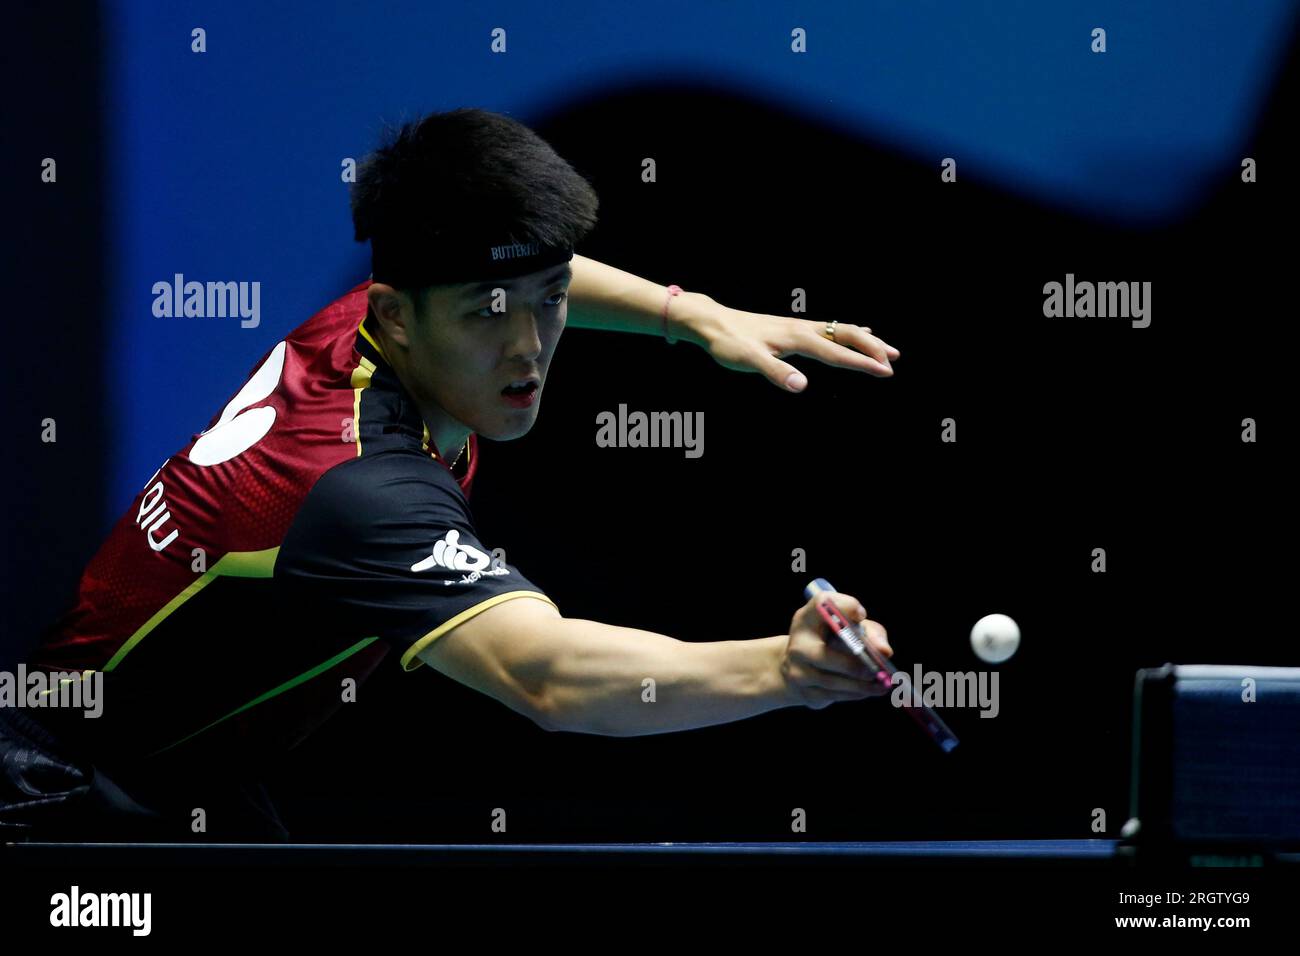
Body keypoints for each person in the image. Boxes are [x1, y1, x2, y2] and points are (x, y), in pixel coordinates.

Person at [2, 107, 901, 842]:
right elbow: (547, 674)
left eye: (547, 306)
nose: (529, 350)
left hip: (180, 774)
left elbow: (527, 268)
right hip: (56, 796)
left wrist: (690, 312)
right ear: (396, 319)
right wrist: (786, 670)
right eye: (488, 317)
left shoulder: (390, 303)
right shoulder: (361, 488)